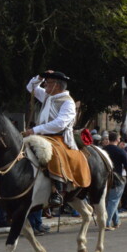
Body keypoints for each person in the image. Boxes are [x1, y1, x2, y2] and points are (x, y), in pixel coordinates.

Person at [23, 70, 80, 207]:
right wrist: (40, 77)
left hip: (58, 136)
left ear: (57, 85)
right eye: (46, 82)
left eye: (48, 82)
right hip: (41, 135)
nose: (45, 85)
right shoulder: (48, 96)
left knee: (53, 153)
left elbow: (60, 124)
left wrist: (35, 130)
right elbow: (31, 88)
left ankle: (58, 190)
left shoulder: (68, 102)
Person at [102, 131, 127, 230]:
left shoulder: (103, 150)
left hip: (104, 178)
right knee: (113, 200)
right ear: (117, 139)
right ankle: (107, 223)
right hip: (117, 179)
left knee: (111, 200)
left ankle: (116, 221)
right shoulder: (120, 151)